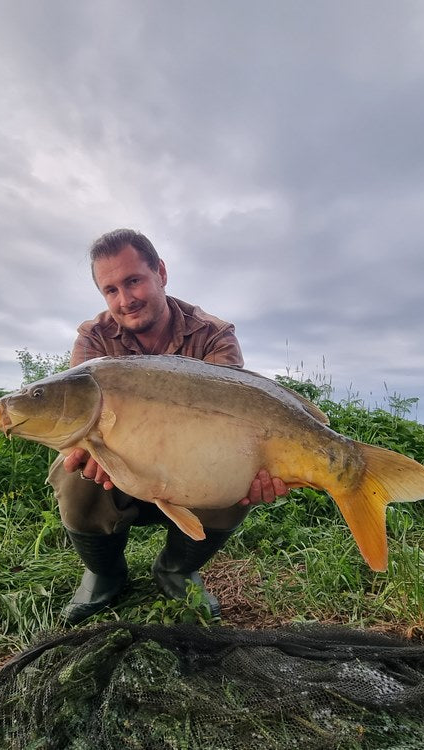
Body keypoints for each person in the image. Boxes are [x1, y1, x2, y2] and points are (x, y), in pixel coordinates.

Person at [52, 228, 289, 624]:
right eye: (111, 290)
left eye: (133, 281)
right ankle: (104, 572)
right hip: (122, 473)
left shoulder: (213, 335)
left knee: (238, 474)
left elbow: (233, 421)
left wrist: (264, 466)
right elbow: (76, 412)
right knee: (74, 466)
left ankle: (176, 570)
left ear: (160, 272)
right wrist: (83, 449)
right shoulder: (93, 337)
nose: (125, 300)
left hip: (192, 471)